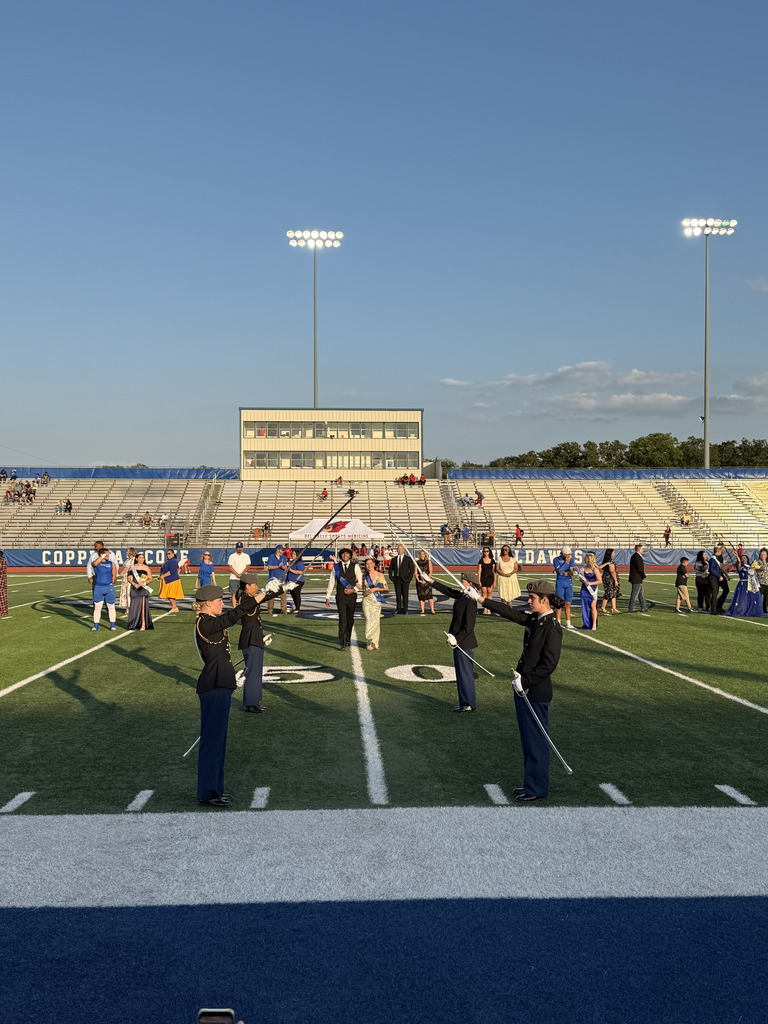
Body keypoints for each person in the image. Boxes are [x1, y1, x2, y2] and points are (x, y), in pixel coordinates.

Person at [479, 580, 564, 802]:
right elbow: (511, 614)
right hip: (524, 690)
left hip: (535, 692)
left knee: (536, 741)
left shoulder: (552, 627)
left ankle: (537, 788)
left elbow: (549, 664)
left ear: (544, 600)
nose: (529, 601)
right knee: (528, 741)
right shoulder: (537, 619)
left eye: (533, 598)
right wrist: (481, 599)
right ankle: (530, 784)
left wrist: (525, 681)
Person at [192, 583, 258, 806]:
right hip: (214, 685)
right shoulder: (205, 622)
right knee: (212, 742)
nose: (223, 603)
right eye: (219, 600)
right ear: (208, 603)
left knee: (218, 742)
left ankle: (215, 789)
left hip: (220, 683)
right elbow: (231, 618)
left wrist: (268, 592)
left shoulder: (210, 622)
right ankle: (208, 792)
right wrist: (257, 598)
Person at [426, 571, 480, 712]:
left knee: (465, 675)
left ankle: (468, 703)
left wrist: (457, 639)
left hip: (463, 643)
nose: (460, 582)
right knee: (461, 675)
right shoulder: (463, 595)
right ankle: (464, 702)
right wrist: (431, 582)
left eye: (463, 580)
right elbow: (448, 591)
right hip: (457, 641)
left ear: (470, 583)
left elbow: (469, 626)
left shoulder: (470, 600)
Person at [236, 573, 278, 713]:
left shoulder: (249, 598)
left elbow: (262, 598)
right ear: (247, 586)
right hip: (250, 639)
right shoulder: (244, 599)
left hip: (255, 638)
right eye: (254, 585)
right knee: (253, 672)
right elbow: (257, 601)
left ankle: (255, 701)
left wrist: (283, 589)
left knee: (257, 671)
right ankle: (250, 703)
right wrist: (265, 591)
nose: (256, 587)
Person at [325, 548, 362, 650]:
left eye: (347, 554)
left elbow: (360, 582)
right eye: (343, 554)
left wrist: (353, 590)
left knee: (350, 619)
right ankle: (342, 642)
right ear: (340, 556)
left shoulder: (355, 566)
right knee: (342, 618)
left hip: (352, 596)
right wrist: (327, 597)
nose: (345, 555)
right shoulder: (336, 567)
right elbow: (331, 582)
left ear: (350, 556)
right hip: (340, 596)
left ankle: (348, 638)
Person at [362, 556, 388, 650]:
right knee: (368, 620)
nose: (369, 565)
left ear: (373, 564)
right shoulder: (364, 575)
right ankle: (369, 640)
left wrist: (375, 589)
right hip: (367, 600)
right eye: (367, 564)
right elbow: (360, 586)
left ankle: (374, 641)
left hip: (376, 600)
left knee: (375, 621)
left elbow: (386, 588)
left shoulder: (380, 575)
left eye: (370, 563)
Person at [90, 548, 118, 631]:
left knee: (111, 607)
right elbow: (94, 563)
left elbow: (114, 575)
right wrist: (102, 556)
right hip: (98, 587)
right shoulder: (97, 563)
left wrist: (112, 581)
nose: (108, 556)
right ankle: (96, 625)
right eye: (107, 554)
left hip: (108, 587)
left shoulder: (111, 563)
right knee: (97, 607)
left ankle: (112, 625)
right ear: (102, 554)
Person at [127, 552, 153, 630]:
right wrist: (134, 584)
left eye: (143, 558)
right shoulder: (132, 567)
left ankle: (143, 624)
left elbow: (150, 579)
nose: (141, 559)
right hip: (134, 588)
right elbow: (128, 578)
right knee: (134, 607)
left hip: (143, 589)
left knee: (143, 606)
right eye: (140, 558)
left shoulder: (146, 568)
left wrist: (143, 583)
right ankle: (134, 624)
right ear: (136, 559)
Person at [388, 543, 415, 614]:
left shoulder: (408, 559)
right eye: (398, 549)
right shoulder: (394, 559)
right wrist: (392, 578)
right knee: (398, 595)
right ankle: (399, 609)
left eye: (401, 549)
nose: (399, 551)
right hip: (397, 580)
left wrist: (409, 579)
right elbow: (390, 570)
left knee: (405, 595)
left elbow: (411, 570)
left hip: (405, 580)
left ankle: (405, 609)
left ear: (403, 550)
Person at [552, 545, 575, 629]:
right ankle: (558, 622)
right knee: (559, 604)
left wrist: (566, 572)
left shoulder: (571, 560)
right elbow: (559, 570)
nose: (569, 556)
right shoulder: (556, 560)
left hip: (568, 583)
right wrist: (566, 564)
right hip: (560, 582)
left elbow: (571, 572)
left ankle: (568, 623)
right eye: (567, 554)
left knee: (568, 603)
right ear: (563, 554)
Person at [708, 543, 733, 616]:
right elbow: (713, 569)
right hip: (715, 576)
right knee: (715, 592)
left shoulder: (718, 557)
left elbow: (720, 567)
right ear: (719, 549)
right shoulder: (714, 558)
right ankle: (714, 608)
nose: (724, 549)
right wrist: (720, 575)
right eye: (724, 548)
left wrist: (725, 575)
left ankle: (717, 606)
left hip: (718, 575)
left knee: (723, 590)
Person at [577, 551, 599, 630]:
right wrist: (582, 579)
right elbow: (582, 579)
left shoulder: (595, 569)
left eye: (586, 558)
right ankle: (586, 624)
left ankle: (593, 625)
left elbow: (599, 581)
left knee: (593, 607)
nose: (584, 560)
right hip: (584, 590)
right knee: (584, 607)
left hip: (592, 590)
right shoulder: (583, 569)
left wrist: (590, 583)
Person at [627, 544, 651, 613]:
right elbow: (639, 568)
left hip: (637, 578)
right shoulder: (637, 557)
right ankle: (631, 608)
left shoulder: (635, 556)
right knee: (634, 594)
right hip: (636, 578)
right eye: (642, 549)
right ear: (639, 549)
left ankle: (643, 607)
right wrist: (643, 575)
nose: (642, 550)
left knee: (640, 594)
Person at [159, 549, 184, 613]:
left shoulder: (172, 561)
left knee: (170, 595)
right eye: (167, 554)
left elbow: (172, 571)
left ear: (173, 554)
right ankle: (174, 607)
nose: (168, 555)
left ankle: (174, 607)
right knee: (169, 595)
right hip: (168, 579)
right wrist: (161, 575)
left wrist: (163, 576)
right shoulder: (169, 561)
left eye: (169, 553)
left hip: (172, 580)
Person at [227, 542, 251, 608]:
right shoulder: (232, 556)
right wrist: (237, 574)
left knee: (244, 593)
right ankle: (234, 608)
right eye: (238, 548)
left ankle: (242, 606)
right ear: (236, 548)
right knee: (234, 593)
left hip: (243, 578)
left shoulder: (246, 556)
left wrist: (242, 574)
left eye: (240, 547)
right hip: (233, 578)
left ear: (242, 548)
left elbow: (248, 566)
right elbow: (230, 567)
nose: (239, 549)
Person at [266, 544, 288, 615]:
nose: (283, 551)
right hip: (273, 579)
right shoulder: (271, 557)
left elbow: (286, 568)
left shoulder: (283, 558)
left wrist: (282, 566)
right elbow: (269, 567)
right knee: (271, 595)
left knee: (283, 595)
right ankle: (270, 609)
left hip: (281, 578)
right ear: (278, 550)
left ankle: (284, 609)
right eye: (282, 550)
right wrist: (278, 566)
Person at [599, 548, 620, 614]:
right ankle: (607, 608)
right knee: (610, 592)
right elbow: (612, 571)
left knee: (611, 592)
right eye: (613, 553)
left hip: (607, 577)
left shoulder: (606, 561)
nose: (614, 554)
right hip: (609, 578)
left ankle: (610, 607)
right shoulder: (609, 562)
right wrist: (615, 580)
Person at [477, 545, 496, 613]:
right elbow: (479, 571)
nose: (486, 553)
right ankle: (485, 609)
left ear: (489, 552)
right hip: (483, 578)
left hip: (490, 579)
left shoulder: (492, 561)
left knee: (490, 594)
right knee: (484, 594)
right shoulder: (481, 561)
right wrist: (479, 581)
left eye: (487, 551)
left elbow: (494, 572)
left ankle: (489, 608)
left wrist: (494, 581)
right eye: (484, 551)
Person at [415, 550, 435, 615]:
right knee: (421, 597)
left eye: (423, 554)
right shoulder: (417, 562)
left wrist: (427, 579)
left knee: (429, 597)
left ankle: (432, 610)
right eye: (420, 554)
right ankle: (422, 610)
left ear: (425, 555)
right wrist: (419, 580)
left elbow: (430, 572)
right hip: (420, 582)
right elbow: (415, 573)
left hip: (427, 581)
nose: (422, 555)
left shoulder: (428, 562)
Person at [118, 547, 137, 613]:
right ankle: (127, 608)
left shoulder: (134, 560)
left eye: (128, 551)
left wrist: (124, 572)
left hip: (130, 577)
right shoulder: (127, 560)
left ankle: (132, 607)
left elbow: (131, 568)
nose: (126, 552)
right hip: (125, 578)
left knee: (129, 592)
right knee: (125, 592)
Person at [756, 548, 768, 614]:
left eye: (764, 554)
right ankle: (758, 609)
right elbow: (760, 568)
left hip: (767, 582)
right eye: (761, 555)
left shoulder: (767, 562)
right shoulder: (758, 562)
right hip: (760, 582)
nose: (763, 556)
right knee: (759, 597)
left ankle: (765, 609)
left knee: (766, 598)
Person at [0, 549, 8, 618]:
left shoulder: (1, 562)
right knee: (4, 596)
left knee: (1, 597)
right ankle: (4, 611)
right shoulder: (4, 561)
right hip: (4, 579)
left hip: (1, 580)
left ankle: (3, 612)